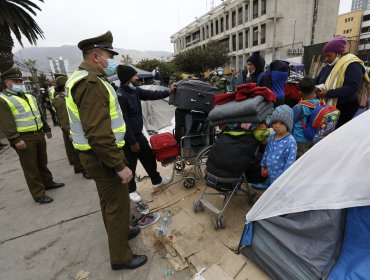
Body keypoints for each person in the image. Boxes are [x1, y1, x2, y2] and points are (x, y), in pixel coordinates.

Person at [65, 31, 147, 270]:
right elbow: (98, 134)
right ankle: (121, 257)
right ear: (95, 56)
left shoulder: (88, 79)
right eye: (109, 56)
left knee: (110, 203)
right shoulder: (90, 84)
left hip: (96, 156)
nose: (113, 61)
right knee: (117, 206)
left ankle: (120, 234)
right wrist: (119, 165)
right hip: (103, 157)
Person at [0, 68, 65, 203]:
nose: (19, 83)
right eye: (16, 81)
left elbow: (39, 113)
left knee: (42, 161)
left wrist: (46, 128)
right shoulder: (3, 99)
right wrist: (15, 139)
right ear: (7, 83)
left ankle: (48, 183)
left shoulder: (28, 96)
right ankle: (38, 194)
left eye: (20, 81)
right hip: (24, 138)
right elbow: (7, 122)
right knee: (31, 167)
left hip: (38, 134)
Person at [116, 65, 176, 203]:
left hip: (138, 133)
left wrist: (169, 92)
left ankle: (157, 180)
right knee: (130, 165)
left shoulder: (135, 90)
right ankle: (131, 190)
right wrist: (132, 142)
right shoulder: (121, 96)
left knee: (148, 157)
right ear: (127, 78)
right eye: (134, 76)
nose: (137, 78)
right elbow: (123, 121)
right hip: (128, 137)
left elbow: (151, 94)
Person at [316, 35, 369, 128]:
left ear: (338, 54)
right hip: (328, 106)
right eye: (325, 56)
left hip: (346, 107)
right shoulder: (328, 66)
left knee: (337, 132)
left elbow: (352, 87)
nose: (327, 59)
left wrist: (328, 93)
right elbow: (317, 80)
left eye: (329, 55)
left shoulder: (353, 65)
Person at [51, 76, 90, 179]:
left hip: (72, 128)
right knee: (77, 150)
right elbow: (64, 118)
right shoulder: (60, 100)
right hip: (71, 129)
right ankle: (84, 170)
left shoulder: (65, 97)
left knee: (73, 149)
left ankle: (78, 167)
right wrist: (69, 132)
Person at [261, 105, 297, 185]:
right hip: (270, 172)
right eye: (274, 122)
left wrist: (285, 177)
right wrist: (264, 165)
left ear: (288, 124)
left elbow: (290, 161)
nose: (277, 126)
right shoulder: (272, 137)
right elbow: (266, 151)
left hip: (282, 177)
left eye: (281, 123)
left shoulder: (290, 141)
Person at [292, 77, 320, 158]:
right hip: (314, 136)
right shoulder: (320, 103)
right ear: (315, 89)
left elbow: (292, 121)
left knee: (299, 159)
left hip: (300, 138)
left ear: (300, 92)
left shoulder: (299, 107)